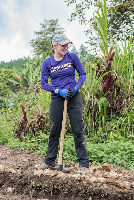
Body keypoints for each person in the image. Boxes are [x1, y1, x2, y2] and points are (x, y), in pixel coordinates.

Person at [35, 34, 89, 173]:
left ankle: (84, 165)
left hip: (74, 96)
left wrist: (76, 87)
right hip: (57, 98)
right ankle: (49, 161)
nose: (66, 47)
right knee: (54, 130)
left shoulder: (72, 57)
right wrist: (58, 90)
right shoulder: (47, 63)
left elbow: (82, 74)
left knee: (78, 130)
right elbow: (43, 84)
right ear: (55, 45)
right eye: (63, 45)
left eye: (67, 45)